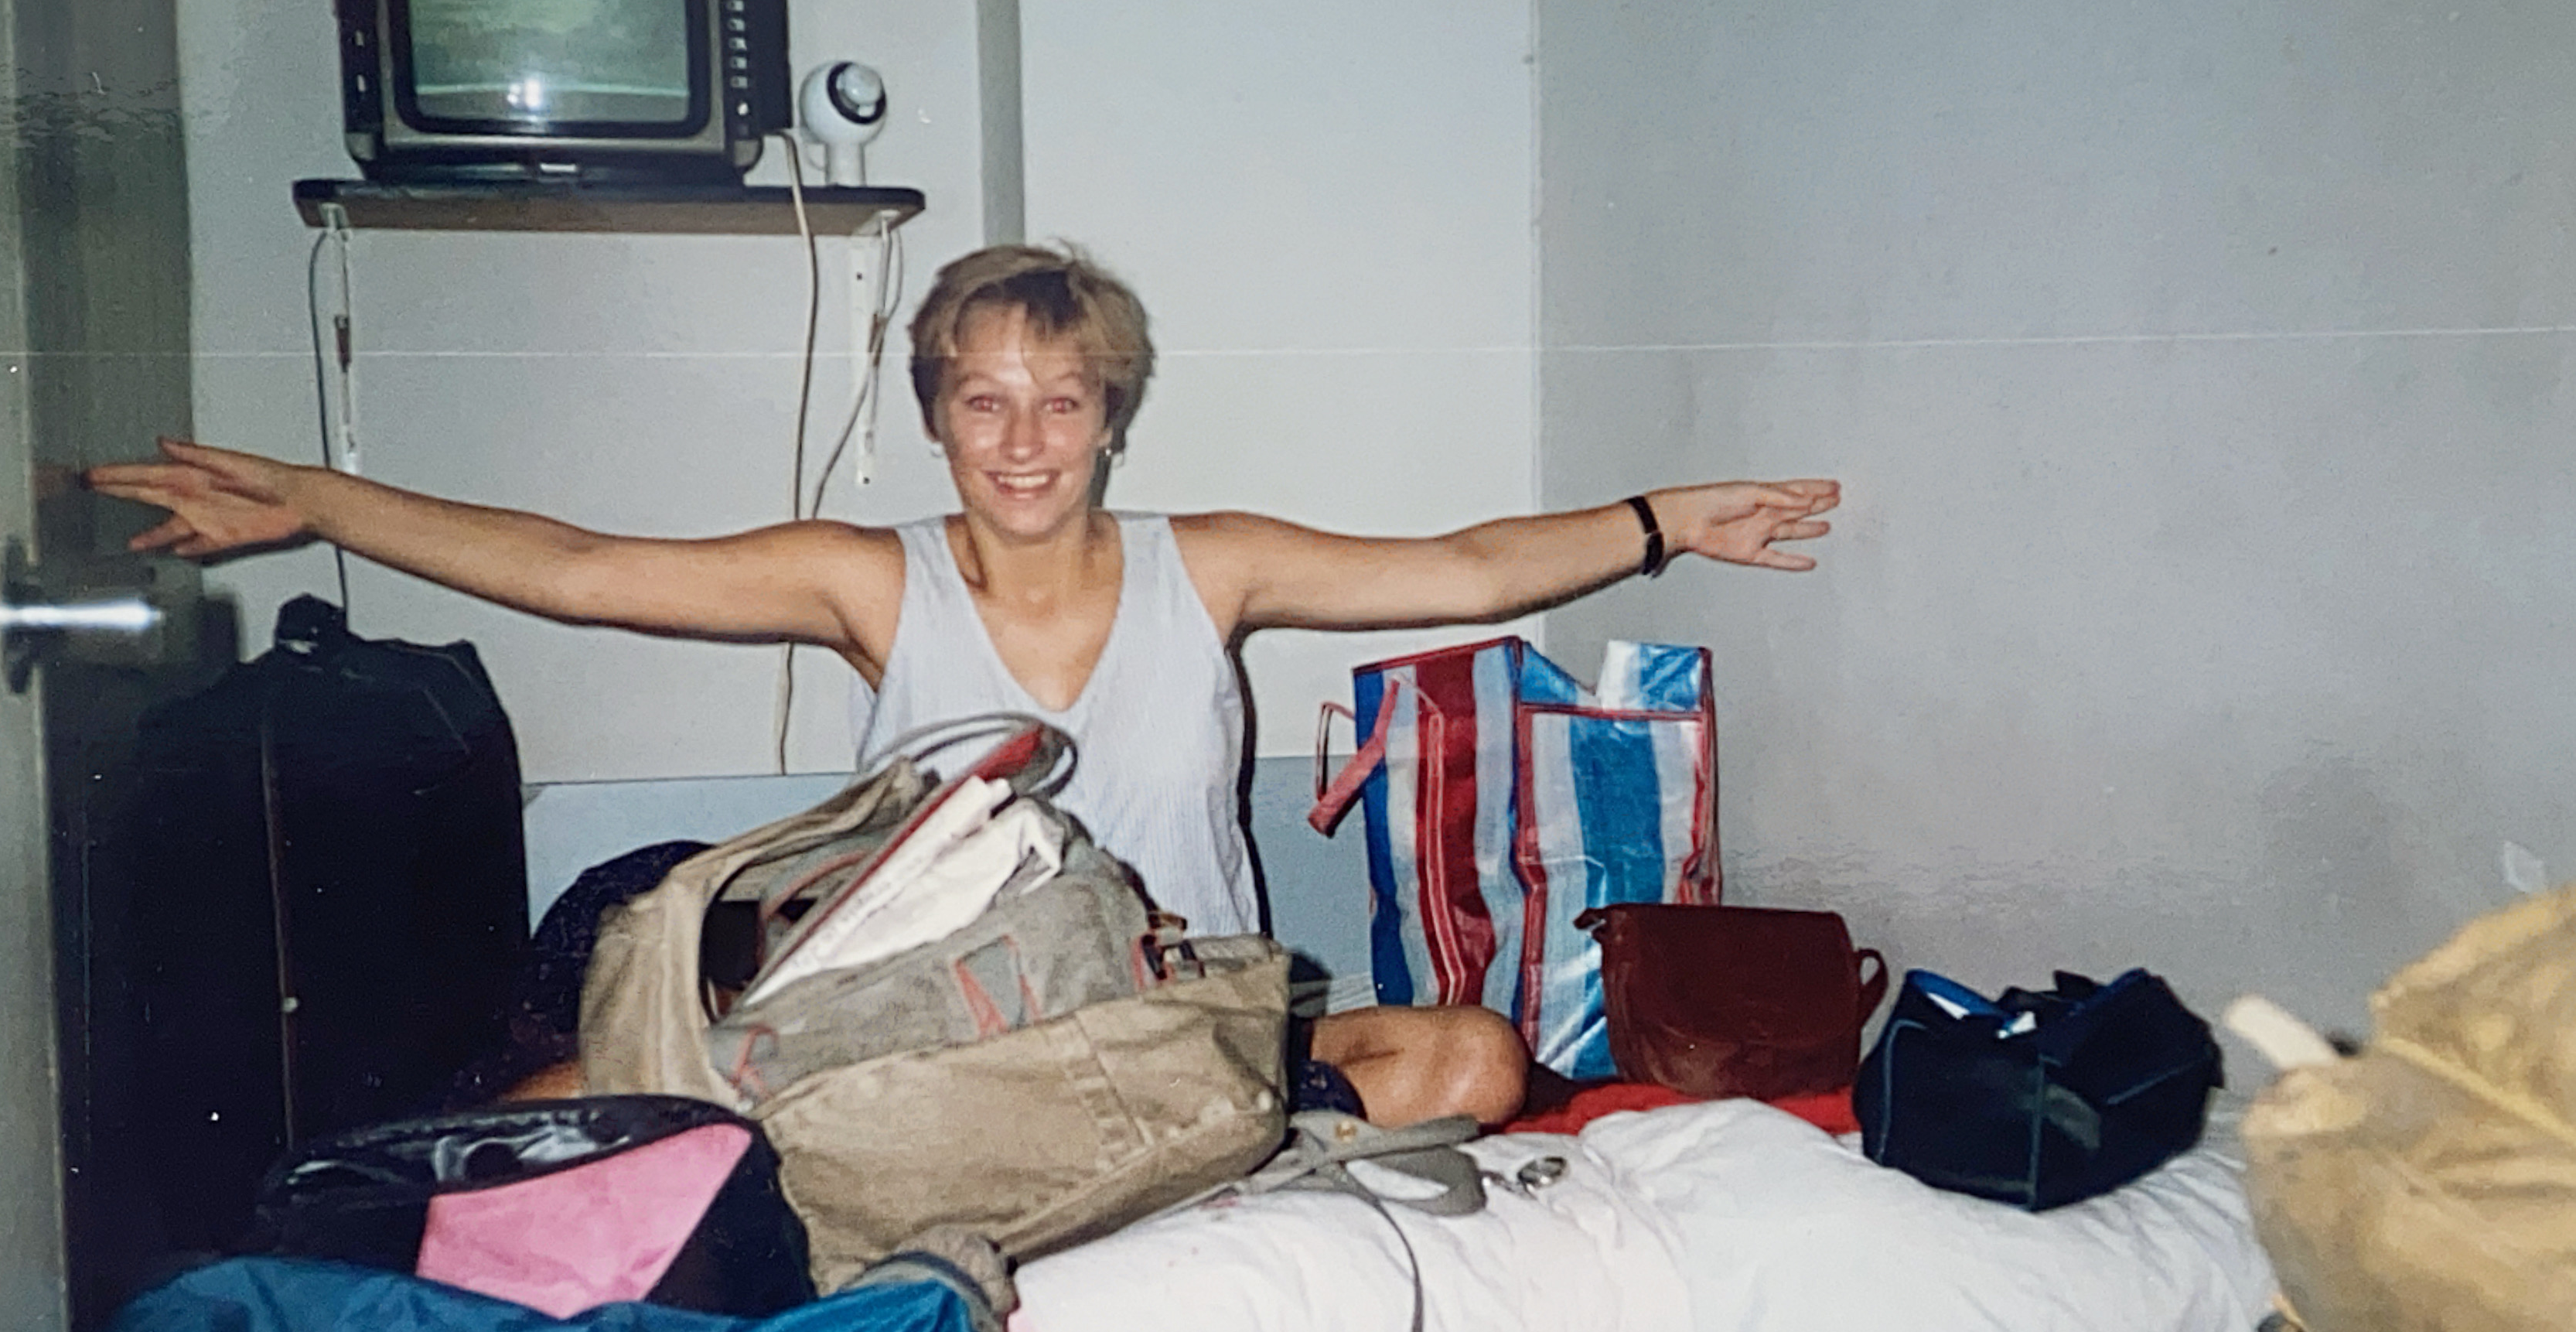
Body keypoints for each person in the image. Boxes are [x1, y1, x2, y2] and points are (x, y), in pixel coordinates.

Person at [90, 242, 1837, 1128]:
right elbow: (585, 566)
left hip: (1192, 1019)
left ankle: (1178, 1140)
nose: (1023, 438)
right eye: (984, 399)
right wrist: (316, 500)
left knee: (1474, 1057)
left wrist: (1666, 519)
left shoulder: (1208, 563)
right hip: (942, 1022)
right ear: (937, 412)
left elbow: (1458, 567)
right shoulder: (874, 581)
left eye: (1061, 399)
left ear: (1109, 416)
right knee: (570, 1116)